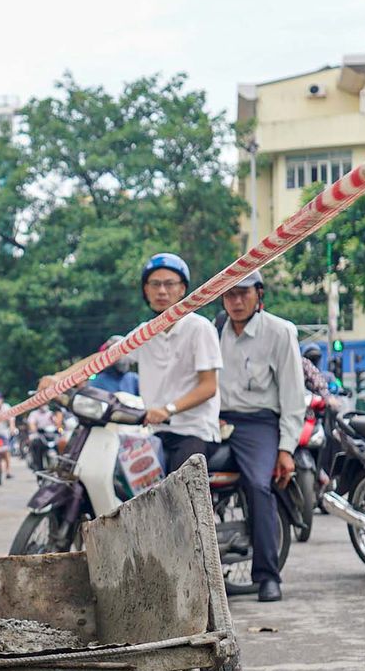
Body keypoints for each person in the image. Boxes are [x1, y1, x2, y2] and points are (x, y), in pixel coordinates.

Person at [214, 271, 305, 602]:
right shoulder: (213, 332)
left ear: (259, 294)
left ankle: (268, 575)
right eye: (230, 295)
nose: (237, 302)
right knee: (184, 479)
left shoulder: (279, 332)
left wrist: (286, 448)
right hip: (216, 421)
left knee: (257, 484)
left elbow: (294, 395)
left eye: (243, 294)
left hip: (258, 422)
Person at [128, 253, 221, 474]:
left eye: (169, 284)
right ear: (146, 290)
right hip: (153, 432)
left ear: (182, 289)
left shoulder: (200, 327)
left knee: (177, 494)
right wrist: (61, 379)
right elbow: (103, 359)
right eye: (155, 284)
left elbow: (209, 386)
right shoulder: (144, 332)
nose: (162, 291)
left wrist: (167, 409)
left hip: (194, 431)